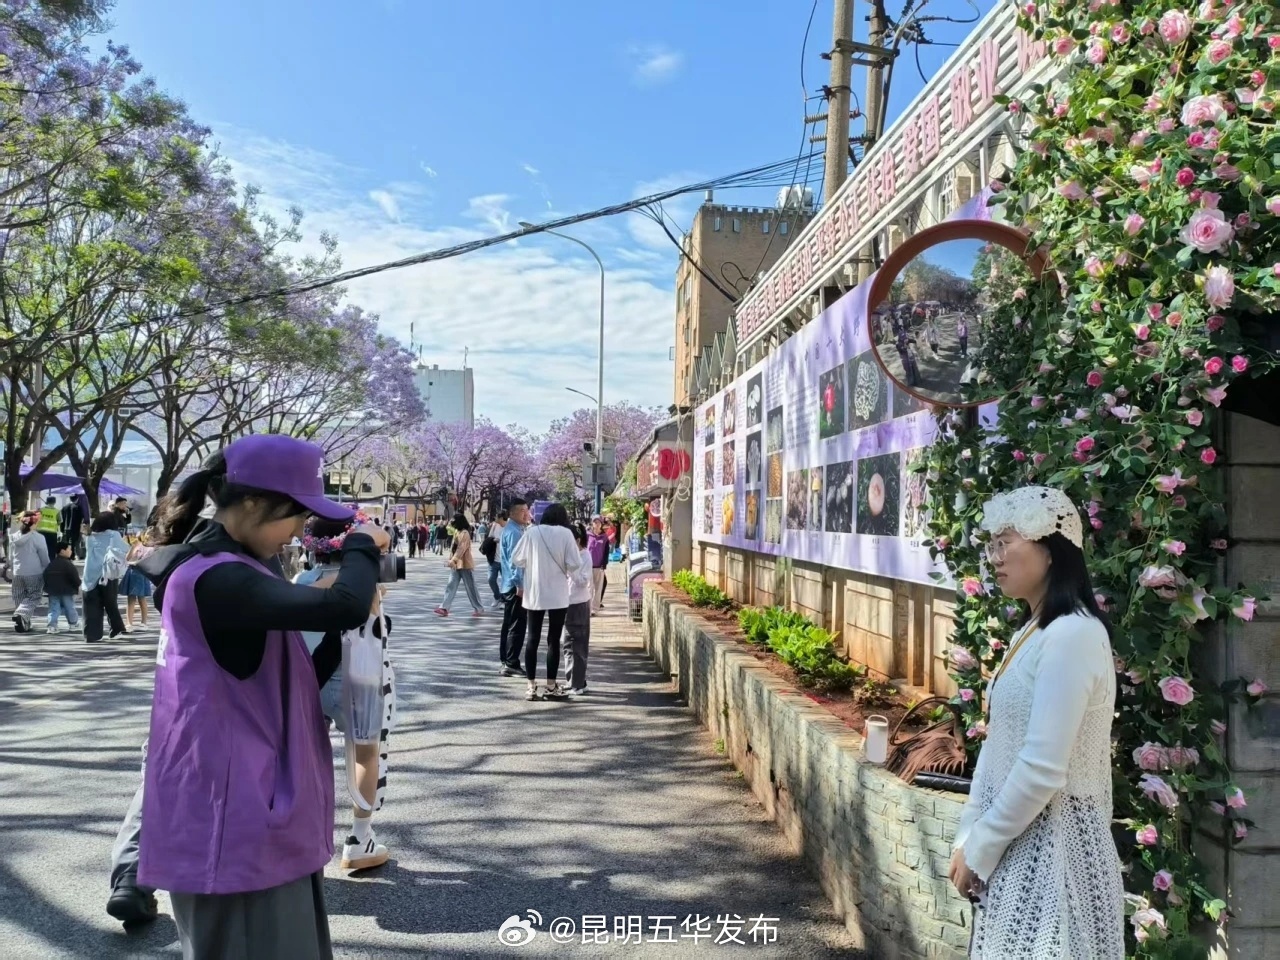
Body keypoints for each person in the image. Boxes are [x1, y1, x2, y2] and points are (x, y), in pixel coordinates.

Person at [112, 434, 388, 957]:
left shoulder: (228, 568)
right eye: (298, 516)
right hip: (237, 823)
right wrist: (359, 544)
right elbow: (344, 606)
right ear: (256, 503)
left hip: (253, 811)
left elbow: (292, 663)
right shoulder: (220, 579)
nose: (300, 530)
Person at [949, 486, 1123, 958]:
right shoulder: (1035, 629)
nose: (995, 557)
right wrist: (969, 837)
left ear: (1050, 550)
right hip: (1019, 846)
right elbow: (999, 743)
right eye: (992, 545)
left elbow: (1043, 767)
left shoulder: (1073, 634)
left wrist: (981, 846)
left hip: (1058, 852)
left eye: (1006, 543)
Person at [295, 516, 397, 873]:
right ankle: (359, 839)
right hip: (360, 681)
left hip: (311, 680)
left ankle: (302, 835)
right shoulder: (363, 585)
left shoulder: (302, 580)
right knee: (365, 755)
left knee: (305, 759)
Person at [512, 502, 583, 700]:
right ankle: (551, 686)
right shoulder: (566, 534)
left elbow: (516, 558)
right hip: (558, 594)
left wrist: (533, 562)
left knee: (532, 638)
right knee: (553, 640)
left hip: (535, 592)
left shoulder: (533, 533)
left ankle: (530, 686)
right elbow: (574, 563)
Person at [83, 513, 129, 643]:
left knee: (90, 604)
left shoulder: (90, 536)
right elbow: (124, 549)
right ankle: (116, 628)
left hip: (90, 573)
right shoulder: (113, 534)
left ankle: (91, 634)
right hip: (107, 573)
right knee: (110, 602)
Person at [498, 500, 531, 675]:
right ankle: (511, 661)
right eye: (523, 511)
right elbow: (516, 562)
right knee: (516, 625)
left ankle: (506, 659)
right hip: (514, 585)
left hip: (508, 584)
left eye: (527, 510)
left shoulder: (513, 530)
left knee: (509, 624)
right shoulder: (515, 533)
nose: (527, 514)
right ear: (514, 513)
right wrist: (520, 584)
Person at [562, 524, 593, 697]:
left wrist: (571, 569)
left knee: (578, 644)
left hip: (579, 603)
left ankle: (579, 683)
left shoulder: (585, 556)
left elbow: (583, 580)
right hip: (566, 603)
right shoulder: (569, 556)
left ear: (577, 540)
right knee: (567, 643)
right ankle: (571, 680)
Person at [435, 513, 485, 618]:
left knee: (471, 587)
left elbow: (461, 548)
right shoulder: (457, 531)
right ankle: (444, 607)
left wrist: (453, 560)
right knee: (451, 586)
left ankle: (479, 608)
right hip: (456, 564)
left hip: (465, 564)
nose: (452, 523)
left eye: (453, 522)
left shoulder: (465, 533)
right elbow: (454, 548)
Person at [10, 511, 49, 633]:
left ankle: (24, 623)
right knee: (34, 595)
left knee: (19, 597)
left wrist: (10, 569)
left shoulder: (14, 536)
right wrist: (48, 570)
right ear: (34, 523)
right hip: (34, 572)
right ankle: (21, 614)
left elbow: (10, 556)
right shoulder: (38, 537)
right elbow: (44, 557)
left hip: (17, 572)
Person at [44, 540, 81, 634]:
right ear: (62, 551)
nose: (71, 551)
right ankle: (73, 624)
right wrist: (78, 585)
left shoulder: (51, 564)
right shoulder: (68, 564)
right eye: (69, 549)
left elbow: (45, 575)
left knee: (54, 608)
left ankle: (52, 626)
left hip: (53, 591)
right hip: (67, 591)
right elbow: (74, 577)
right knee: (69, 607)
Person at [121, 535, 155, 629]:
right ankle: (129, 623)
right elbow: (127, 558)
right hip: (132, 571)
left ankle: (144, 622)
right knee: (131, 598)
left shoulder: (151, 549)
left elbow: (148, 561)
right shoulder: (136, 546)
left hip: (141, 572)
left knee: (141, 598)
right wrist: (133, 547)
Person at [482, 512, 507, 607]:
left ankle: (504, 600)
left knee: (506, 581)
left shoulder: (509, 527)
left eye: (496, 516)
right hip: (494, 558)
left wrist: (500, 540)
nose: (494, 518)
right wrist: (493, 540)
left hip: (505, 559)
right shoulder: (495, 525)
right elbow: (490, 537)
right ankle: (497, 597)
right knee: (491, 579)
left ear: (501, 517)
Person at [587, 516, 609, 615]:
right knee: (589, 588)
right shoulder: (588, 535)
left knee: (598, 588)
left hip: (599, 567)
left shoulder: (604, 537)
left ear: (601, 524)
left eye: (599, 522)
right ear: (592, 523)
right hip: (588, 566)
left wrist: (604, 565)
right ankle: (588, 608)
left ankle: (595, 609)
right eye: (595, 522)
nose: (597, 524)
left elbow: (606, 552)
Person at [37, 496, 61, 560]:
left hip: (40, 533)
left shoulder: (41, 510)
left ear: (47, 502)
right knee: (51, 550)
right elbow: (60, 521)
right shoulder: (57, 511)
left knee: (40, 549)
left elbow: (36, 519)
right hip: (52, 533)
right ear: (54, 502)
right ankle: (51, 565)